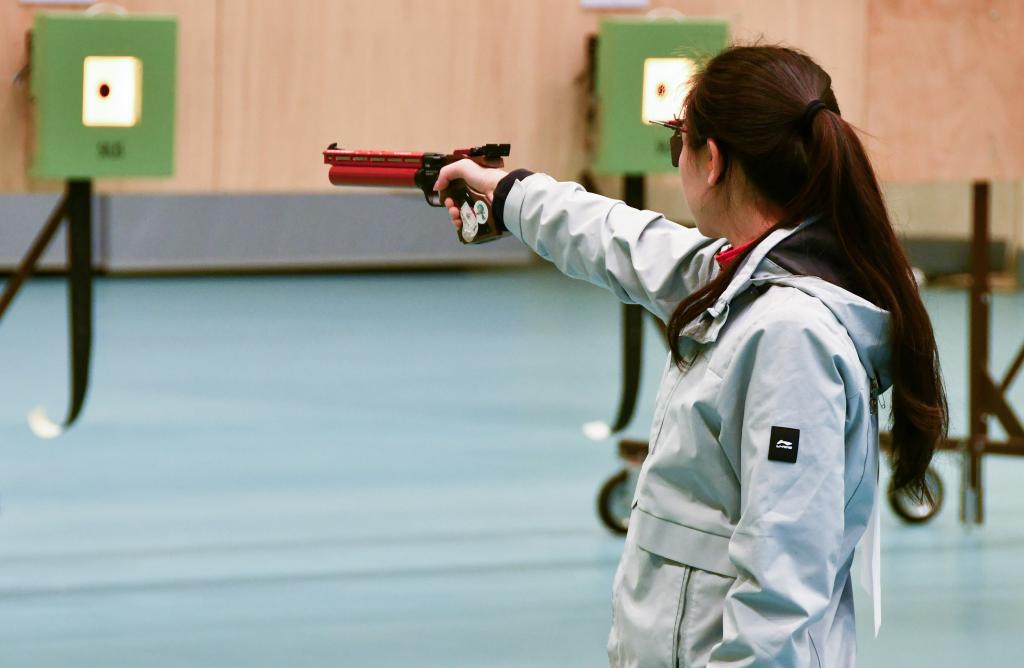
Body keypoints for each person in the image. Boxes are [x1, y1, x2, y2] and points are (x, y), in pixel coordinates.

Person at [434, 45, 947, 668]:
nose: (677, 158)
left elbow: (781, 590)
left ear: (713, 160)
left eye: (679, 141)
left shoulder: (793, 337)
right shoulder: (748, 277)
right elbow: (621, 240)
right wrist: (508, 194)